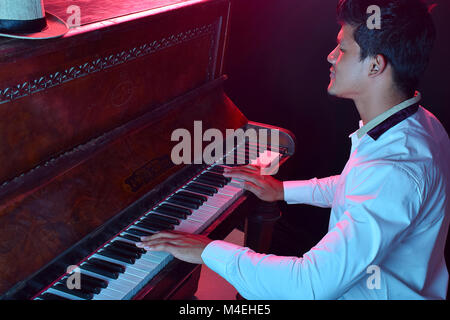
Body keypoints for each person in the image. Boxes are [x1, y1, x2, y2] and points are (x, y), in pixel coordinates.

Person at [136, 0, 450, 299]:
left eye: (342, 49)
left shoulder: (395, 168)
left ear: (374, 66)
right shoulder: (416, 124)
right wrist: (282, 191)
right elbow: (357, 187)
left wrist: (207, 250)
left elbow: (309, 286)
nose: (330, 56)